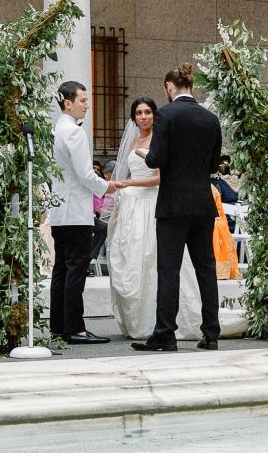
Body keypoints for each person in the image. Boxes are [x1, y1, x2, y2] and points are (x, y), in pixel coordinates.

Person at [134, 64, 223, 352]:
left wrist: (145, 154)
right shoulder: (210, 119)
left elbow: (157, 158)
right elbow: (212, 165)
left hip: (173, 203)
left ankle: (165, 333)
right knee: (206, 268)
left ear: (170, 88)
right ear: (192, 86)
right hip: (202, 202)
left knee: (169, 269)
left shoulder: (165, 114)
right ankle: (210, 333)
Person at [51, 80, 112, 344]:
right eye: (83, 100)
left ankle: (58, 325)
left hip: (59, 210)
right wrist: (107, 186)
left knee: (61, 269)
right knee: (76, 268)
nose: (87, 105)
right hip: (75, 210)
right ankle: (75, 328)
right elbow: (86, 174)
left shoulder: (56, 129)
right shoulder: (75, 133)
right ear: (68, 103)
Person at [105, 96, 157, 339]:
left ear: (154, 115)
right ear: (133, 117)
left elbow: (159, 177)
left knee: (147, 257)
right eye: (139, 113)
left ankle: (151, 318)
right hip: (130, 203)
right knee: (125, 257)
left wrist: (130, 183)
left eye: (147, 112)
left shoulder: (158, 139)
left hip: (149, 202)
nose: (143, 117)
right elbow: (125, 170)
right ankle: (132, 318)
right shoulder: (133, 140)